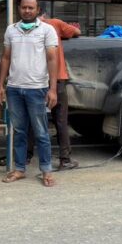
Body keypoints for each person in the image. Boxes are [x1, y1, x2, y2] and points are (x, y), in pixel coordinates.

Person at [0, 0, 59, 187]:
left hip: (37, 89)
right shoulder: (11, 30)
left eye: (31, 7)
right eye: (24, 7)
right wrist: (1, 85)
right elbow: (6, 58)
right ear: (19, 8)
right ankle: (20, 169)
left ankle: (46, 170)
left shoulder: (47, 30)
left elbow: (52, 59)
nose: (27, 10)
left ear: (37, 9)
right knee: (19, 131)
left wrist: (53, 89)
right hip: (14, 88)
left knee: (41, 132)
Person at [40, 12, 81, 170]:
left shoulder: (29, 27)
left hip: (37, 79)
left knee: (33, 118)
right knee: (61, 120)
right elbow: (77, 32)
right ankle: (65, 159)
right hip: (57, 78)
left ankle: (26, 157)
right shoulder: (55, 23)